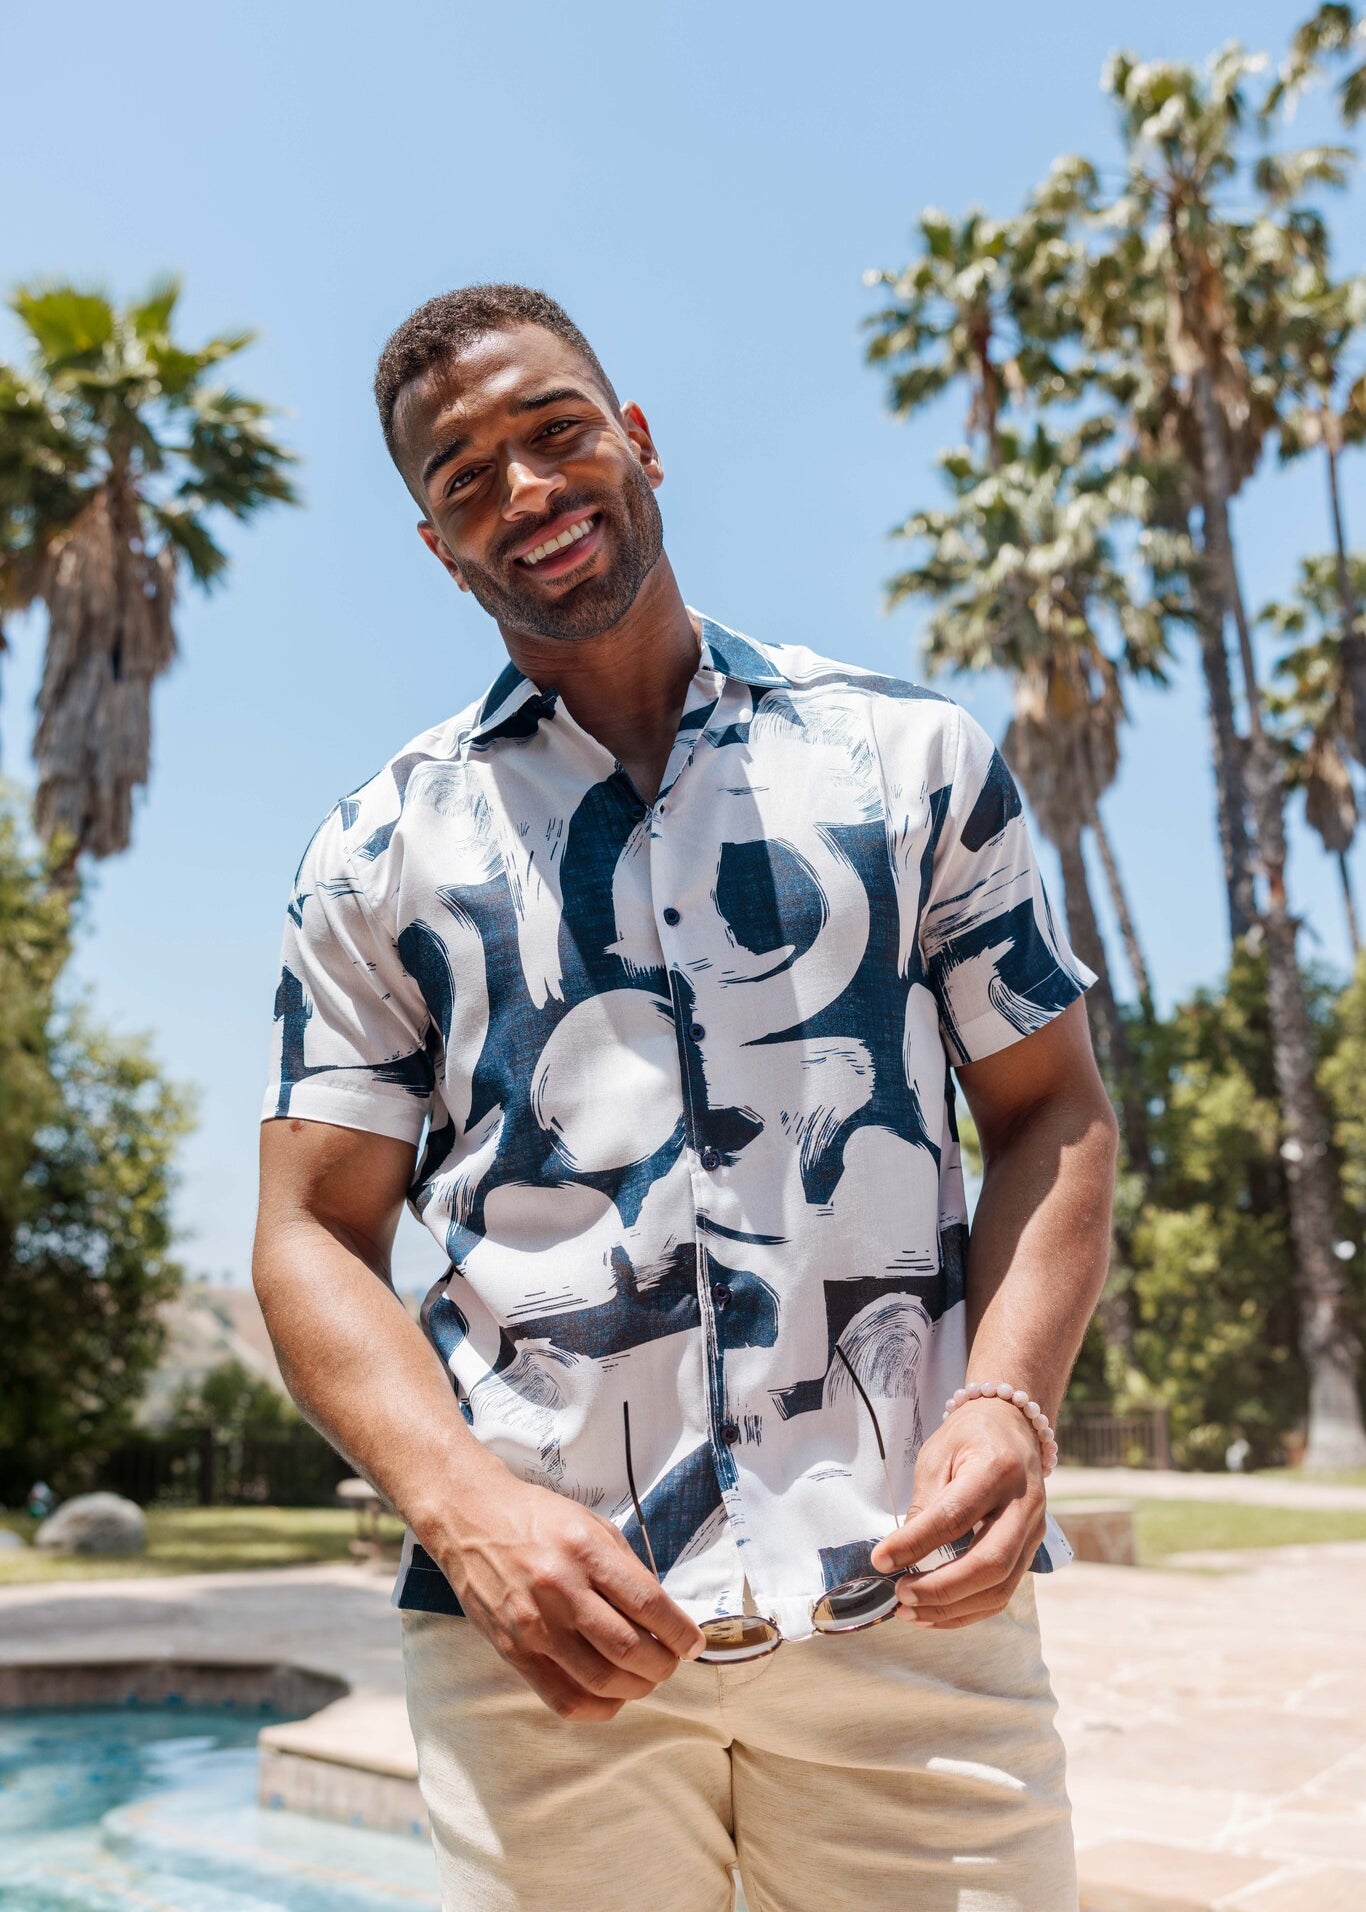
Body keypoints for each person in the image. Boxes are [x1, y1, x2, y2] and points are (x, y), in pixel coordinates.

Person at [253, 283, 1119, 1912]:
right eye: (462, 478)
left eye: (553, 431)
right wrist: (462, 1517)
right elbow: (306, 1234)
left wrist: (1007, 1398)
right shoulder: (372, 858)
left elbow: (1051, 1108)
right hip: (544, 1656)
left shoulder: (910, 762)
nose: (522, 489)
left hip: (909, 1619)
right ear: (436, 548)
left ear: (634, 441)